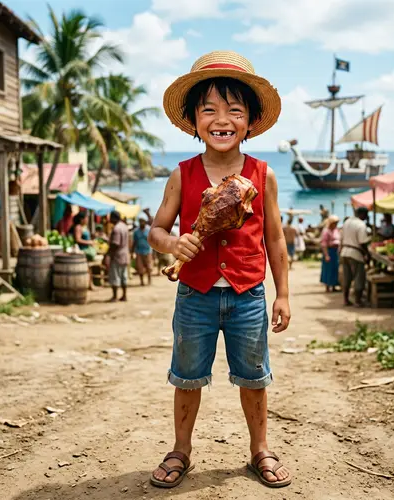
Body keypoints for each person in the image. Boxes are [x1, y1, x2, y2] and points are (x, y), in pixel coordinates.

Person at [147, 51, 291, 489]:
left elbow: (276, 239)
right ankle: (181, 450)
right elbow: (155, 230)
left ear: (250, 120)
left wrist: (282, 293)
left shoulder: (262, 176)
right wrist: (173, 242)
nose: (221, 118)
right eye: (208, 109)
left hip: (248, 293)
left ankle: (259, 450)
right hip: (195, 294)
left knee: (254, 376)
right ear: (193, 120)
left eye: (234, 109)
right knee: (187, 376)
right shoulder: (183, 174)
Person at [340, 207, 371, 307]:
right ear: (362, 214)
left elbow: (342, 238)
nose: (366, 218)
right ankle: (358, 301)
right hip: (355, 253)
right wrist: (367, 254)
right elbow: (363, 242)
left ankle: (345, 299)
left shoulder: (347, 222)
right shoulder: (361, 225)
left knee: (347, 277)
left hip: (344, 252)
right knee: (359, 277)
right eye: (366, 215)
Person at [104, 211, 130, 302]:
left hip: (117, 256)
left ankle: (115, 296)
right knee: (124, 276)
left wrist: (107, 254)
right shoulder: (124, 226)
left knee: (115, 276)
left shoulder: (116, 229)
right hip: (125, 255)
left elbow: (115, 244)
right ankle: (124, 295)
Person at [320, 215, 341, 292]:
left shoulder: (336, 230)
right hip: (329, 251)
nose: (336, 224)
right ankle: (327, 286)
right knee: (328, 269)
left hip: (335, 251)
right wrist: (326, 255)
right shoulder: (326, 231)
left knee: (335, 269)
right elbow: (324, 244)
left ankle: (334, 285)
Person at [133, 218, 152, 286]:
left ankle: (149, 281)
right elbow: (134, 242)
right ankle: (142, 281)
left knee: (149, 267)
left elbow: (152, 241)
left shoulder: (149, 230)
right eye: (140, 222)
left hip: (148, 251)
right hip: (139, 251)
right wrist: (132, 252)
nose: (142, 223)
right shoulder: (136, 231)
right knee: (140, 267)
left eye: (143, 222)